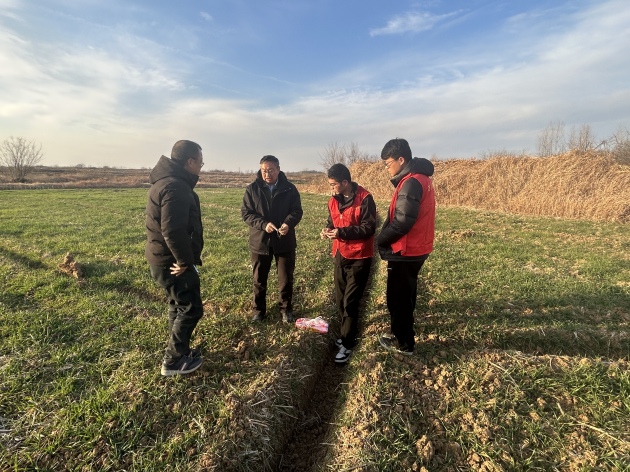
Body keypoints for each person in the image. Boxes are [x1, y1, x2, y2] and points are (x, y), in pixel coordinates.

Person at [145, 140, 205, 376]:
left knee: (178, 304)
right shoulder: (176, 187)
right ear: (190, 162)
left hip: (161, 257)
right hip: (172, 261)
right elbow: (173, 229)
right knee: (191, 308)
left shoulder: (165, 182)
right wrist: (183, 261)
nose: (201, 167)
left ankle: (179, 350)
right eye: (200, 162)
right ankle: (173, 361)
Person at [377, 138, 435, 355]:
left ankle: (403, 343)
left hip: (406, 249)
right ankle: (400, 334)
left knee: (398, 298)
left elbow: (402, 222)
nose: (387, 168)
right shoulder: (421, 178)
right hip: (418, 247)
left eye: (388, 163)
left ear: (401, 159)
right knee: (406, 294)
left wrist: (381, 239)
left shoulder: (411, 182)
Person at [321, 163, 376, 364]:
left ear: (345, 182)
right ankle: (346, 333)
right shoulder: (333, 200)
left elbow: (369, 228)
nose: (331, 187)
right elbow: (332, 221)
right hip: (340, 255)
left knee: (350, 302)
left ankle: (348, 343)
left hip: (359, 257)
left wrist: (342, 232)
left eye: (333, 184)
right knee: (340, 300)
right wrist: (328, 230)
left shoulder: (365, 199)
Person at [241, 155, 303, 323]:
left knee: (285, 278)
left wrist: (288, 223)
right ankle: (258, 311)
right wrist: (263, 224)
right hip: (260, 241)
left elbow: (296, 210)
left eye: (270, 170)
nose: (267, 174)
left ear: (278, 169)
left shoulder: (289, 189)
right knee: (259, 279)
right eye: (263, 171)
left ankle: (286, 309)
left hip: (284, 241)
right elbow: (247, 214)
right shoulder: (252, 189)